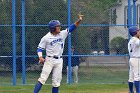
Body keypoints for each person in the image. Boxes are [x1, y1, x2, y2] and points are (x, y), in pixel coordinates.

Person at [33, 13, 83, 93]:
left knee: (56, 82)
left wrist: (79, 20)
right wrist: (40, 57)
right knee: (42, 79)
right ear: (53, 28)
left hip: (59, 60)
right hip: (49, 60)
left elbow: (72, 27)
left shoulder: (62, 34)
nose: (59, 27)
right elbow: (39, 49)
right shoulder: (46, 38)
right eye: (57, 26)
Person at [128, 26, 140, 93]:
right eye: (138, 31)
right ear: (135, 32)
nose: (139, 32)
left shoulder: (131, 40)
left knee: (131, 77)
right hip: (136, 59)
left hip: (132, 59)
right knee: (137, 77)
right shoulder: (136, 40)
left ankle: (131, 91)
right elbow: (138, 43)